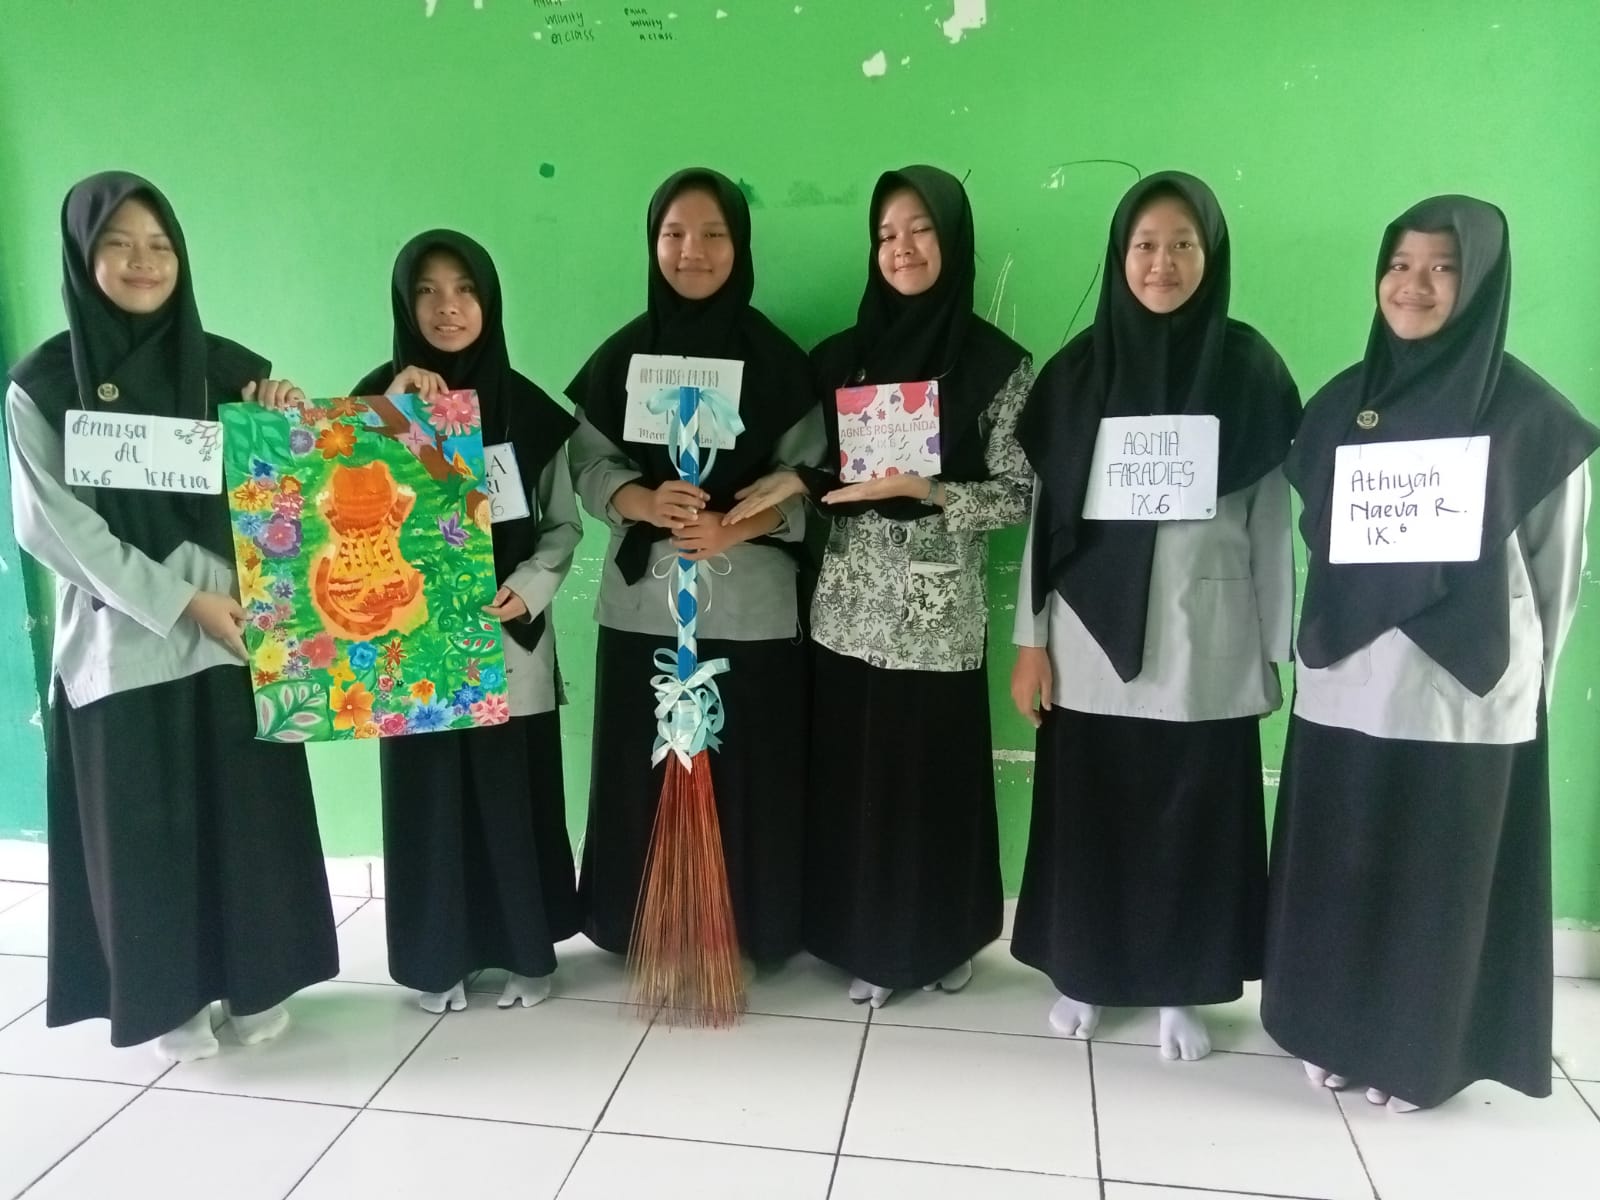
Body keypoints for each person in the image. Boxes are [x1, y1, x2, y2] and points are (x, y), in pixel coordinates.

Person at [1262, 195, 1597, 1110]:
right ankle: (1334, 1031)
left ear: (1480, 282)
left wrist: (1531, 691)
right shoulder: (1340, 404)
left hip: (1464, 698)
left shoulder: (1534, 420)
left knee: (1437, 888)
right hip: (1348, 686)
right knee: (1347, 870)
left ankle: (1424, 1059)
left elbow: (1557, 575)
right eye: (1400, 264)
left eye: (1442, 267)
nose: (1413, 285)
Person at [4, 171, 338, 1061]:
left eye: (159, 244)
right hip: (125, 644)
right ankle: (170, 1002)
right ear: (83, 258)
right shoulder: (43, 384)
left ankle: (256, 981)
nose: (142, 261)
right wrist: (183, 599)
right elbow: (53, 527)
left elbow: (287, 498)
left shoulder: (231, 369)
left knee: (246, 822)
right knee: (145, 836)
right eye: (118, 244)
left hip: (236, 635)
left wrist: (286, 422)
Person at [1008, 172, 1300, 1060]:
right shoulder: (1076, 373)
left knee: (1192, 823)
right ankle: (1087, 972)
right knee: (1091, 817)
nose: (1161, 263)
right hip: (1088, 640)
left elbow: (1270, 521)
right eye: (1144, 245)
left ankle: (1183, 986)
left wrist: (1274, 648)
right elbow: (1045, 522)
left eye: (1182, 244)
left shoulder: (1249, 371)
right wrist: (1029, 641)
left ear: (1211, 256)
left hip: (1206, 641)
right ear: (1118, 255)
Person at [566, 168, 821, 966]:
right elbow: (588, 464)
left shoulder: (780, 364)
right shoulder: (622, 356)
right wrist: (643, 501)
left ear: (740, 245)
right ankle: (638, 924)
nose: (692, 251)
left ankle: (747, 928)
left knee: (748, 772)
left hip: (750, 611)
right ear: (653, 243)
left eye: (713, 234)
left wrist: (730, 526)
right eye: (674, 234)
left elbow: (811, 484)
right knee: (640, 769)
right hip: (643, 607)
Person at [350, 230, 582, 1014]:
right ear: (404, 305)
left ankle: (527, 954)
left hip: (507, 637)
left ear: (489, 300)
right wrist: (392, 411)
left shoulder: (530, 410)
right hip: (413, 642)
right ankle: (436, 960)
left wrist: (528, 587)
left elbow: (563, 527)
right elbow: (328, 500)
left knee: (510, 794)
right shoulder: (370, 405)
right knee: (429, 801)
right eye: (427, 291)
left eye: (464, 289)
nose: (447, 307)